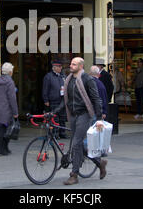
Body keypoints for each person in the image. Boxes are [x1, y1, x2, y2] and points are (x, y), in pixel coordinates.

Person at [53, 57, 107, 185]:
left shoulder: (87, 79)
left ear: (81, 66)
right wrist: (54, 112)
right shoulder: (69, 80)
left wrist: (99, 118)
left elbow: (96, 99)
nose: (71, 66)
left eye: (74, 64)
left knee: (76, 143)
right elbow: (65, 100)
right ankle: (100, 163)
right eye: (71, 64)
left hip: (84, 114)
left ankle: (74, 175)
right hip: (72, 115)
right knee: (80, 145)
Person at [0, 62, 19, 156]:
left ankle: (5, 148)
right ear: (10, 72)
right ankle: (0, 150)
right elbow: (12, 98)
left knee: (3, 129)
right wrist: (15, 112)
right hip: (7, 110)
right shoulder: (10, 82)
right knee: (6, 130)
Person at [42, 60, 67, 138]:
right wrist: (46, 100)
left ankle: (62, 133)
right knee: (54, 118)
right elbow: (45, 89)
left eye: (61, 66)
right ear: (54, 67)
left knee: (62, 117)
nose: (61, 68)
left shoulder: (62, 76)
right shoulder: (48, 76)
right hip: (53, 100)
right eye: (59, 67)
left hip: (62, 100)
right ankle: (55, 134)